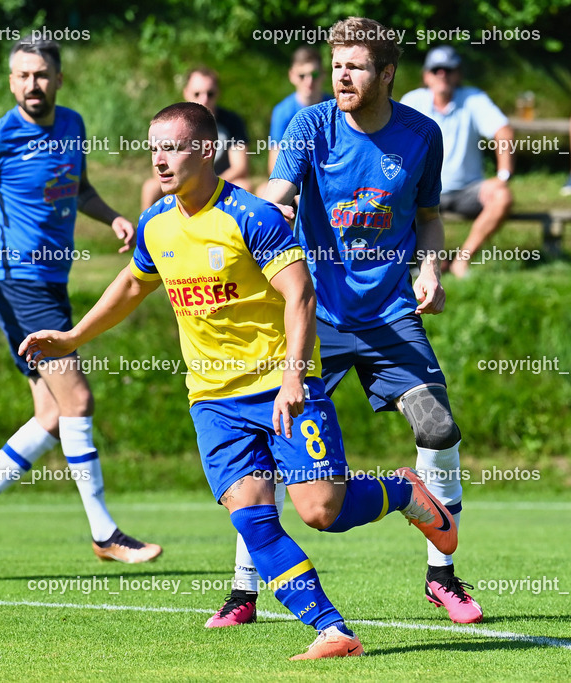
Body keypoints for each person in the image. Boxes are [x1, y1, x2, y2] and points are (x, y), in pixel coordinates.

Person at [20, 101, 458, 660]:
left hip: (281, 387)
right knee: (252, 517)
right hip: (212, 402)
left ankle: (402, 492)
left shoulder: (253, 216)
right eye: (153, 148)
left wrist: (295, 376)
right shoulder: (157, 224)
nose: (159, 159)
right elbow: (132, 286)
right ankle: (332, 630)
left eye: (172, 147)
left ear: (206, 151)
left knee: (321, 511)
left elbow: (300, 294)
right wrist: (73, 337)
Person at [221, 17, 482, 628]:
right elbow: (279, 193)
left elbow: (429, 215)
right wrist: (258, 217)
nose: (341, 73)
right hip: (316, 315)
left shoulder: (423, 134)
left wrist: (431, 268)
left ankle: (441, 579)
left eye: (356, 65)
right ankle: (242, 591)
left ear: (387, 74)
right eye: (338, 62)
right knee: (270, 441)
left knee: (439, 429)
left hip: (390, 317)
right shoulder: (310, 124)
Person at [0, 37, 161, 565]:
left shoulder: (72, 126)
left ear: (58, 79)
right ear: (11, 82)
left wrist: (114, 217)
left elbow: (79, 190)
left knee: (53, 416)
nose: (31, 85)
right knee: (77, 401)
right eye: (21, 76)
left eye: (41, 75)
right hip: (17, 284)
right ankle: (105, 533)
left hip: (51, 285)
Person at [400, 45, 514, 278]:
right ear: (426, 76)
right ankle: (423, 263)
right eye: (436, 69)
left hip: (468, 190)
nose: (443, 74)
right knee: (392, 195)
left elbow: (503, 132)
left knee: (502, 196)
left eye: (449, 69)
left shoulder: (473, 98)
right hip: (424, 190)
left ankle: (462, 260)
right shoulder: (412, 101)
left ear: (458, 74)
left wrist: (502, 176)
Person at [140, 66, 250, 211]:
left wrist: (208, 186)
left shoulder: (232, 122)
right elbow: (158, 170)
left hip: (220, 181)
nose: (204, 99)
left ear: (218, 93)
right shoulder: (169, 123)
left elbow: (240, 167)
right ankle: (145, 230)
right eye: (197, 93)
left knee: (245, 185)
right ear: (186, 93)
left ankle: (241, 230)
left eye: (210, 94)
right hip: (180, 179)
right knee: (150, 187)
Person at [267, 46, 333, 177]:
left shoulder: (336, 108)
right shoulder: (282, 112)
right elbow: (274, 161)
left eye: (314, 74)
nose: (309, 81)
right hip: (295, 179)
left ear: (323, 74)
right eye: (302, 75)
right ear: (292, 75)